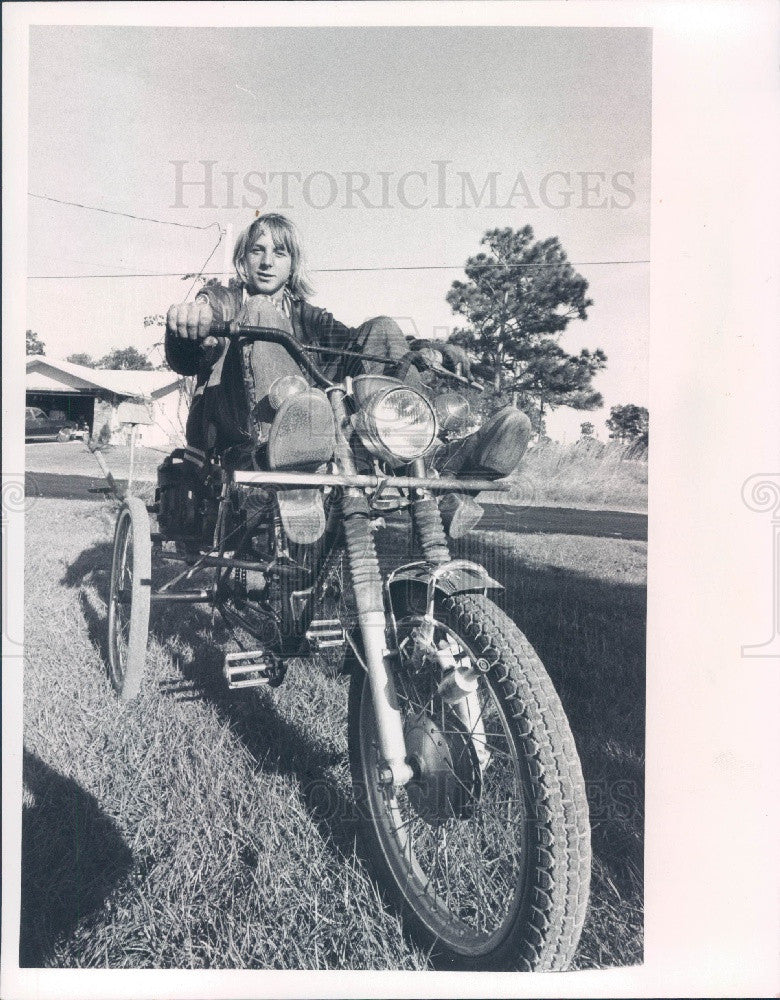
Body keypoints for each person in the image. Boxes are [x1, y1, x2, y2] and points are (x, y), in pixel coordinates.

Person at [165, 213, 531, 535]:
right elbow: (190, 346)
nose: (266, 262)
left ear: (292, 265)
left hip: (314, 436)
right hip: (242, 435)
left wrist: (423, 348)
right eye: (257, 251)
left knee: (383, 329)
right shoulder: (227, 302)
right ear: (242, 260)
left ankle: (434, 463)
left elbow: (356, 345)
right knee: (260, 313)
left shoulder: (308, 318)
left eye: (279, 252)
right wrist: (193, 316)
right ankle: (288, 454)